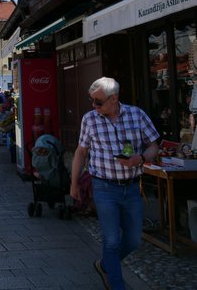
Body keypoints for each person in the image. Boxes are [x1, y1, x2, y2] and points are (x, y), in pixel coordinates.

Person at [70, 77, 159, 290]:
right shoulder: (90, 119)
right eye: (92, 101)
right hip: (103, 186)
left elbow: (154, 145)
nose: (94, 106)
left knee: (134, 239)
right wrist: (73, 183)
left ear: (114, 99)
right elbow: (81, 152)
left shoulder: (137, 115)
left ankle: (104, 265)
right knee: (111, 240)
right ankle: (117, 285)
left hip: (131, 186)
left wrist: (141, 159)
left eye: (98, 102)